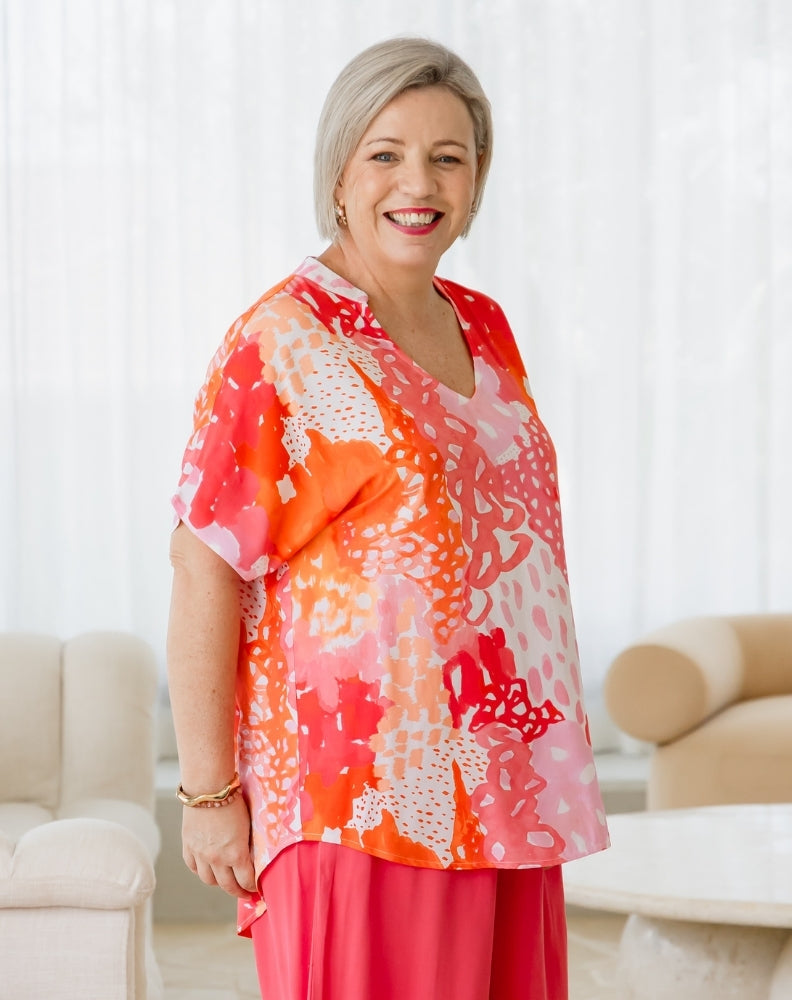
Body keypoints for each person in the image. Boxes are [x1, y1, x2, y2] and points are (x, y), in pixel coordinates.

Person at [167, 36, 609, 1000]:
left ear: (477, 178)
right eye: (386, 154)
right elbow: (204, 562)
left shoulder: (482, 323)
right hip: (361, 793)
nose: (419, 182)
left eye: (448, 156)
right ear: (338, 175)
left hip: (508, 784)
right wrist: (207, 794)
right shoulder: (285, 340)